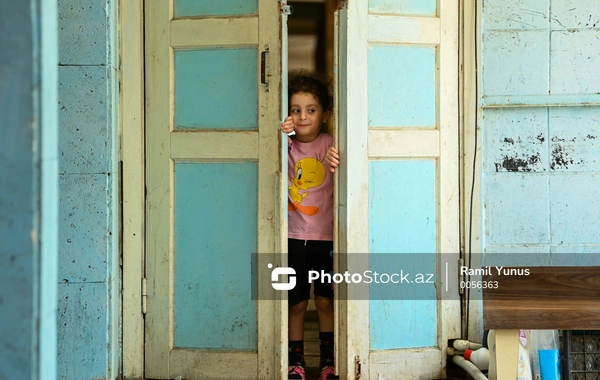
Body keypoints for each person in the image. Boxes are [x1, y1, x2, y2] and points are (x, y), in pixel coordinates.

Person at [280, 72, 340, 380]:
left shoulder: (331, 145)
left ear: (325, 114)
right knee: (297, 303)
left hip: (326, 239)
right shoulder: (285, 147)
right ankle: (296, 363)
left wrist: (338, 160)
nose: (303, 116)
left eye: (311, 109)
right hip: (292, 239)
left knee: (326, 301)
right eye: (295, 109)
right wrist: (282, 132)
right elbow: (270, 147)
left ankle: (329, 362)